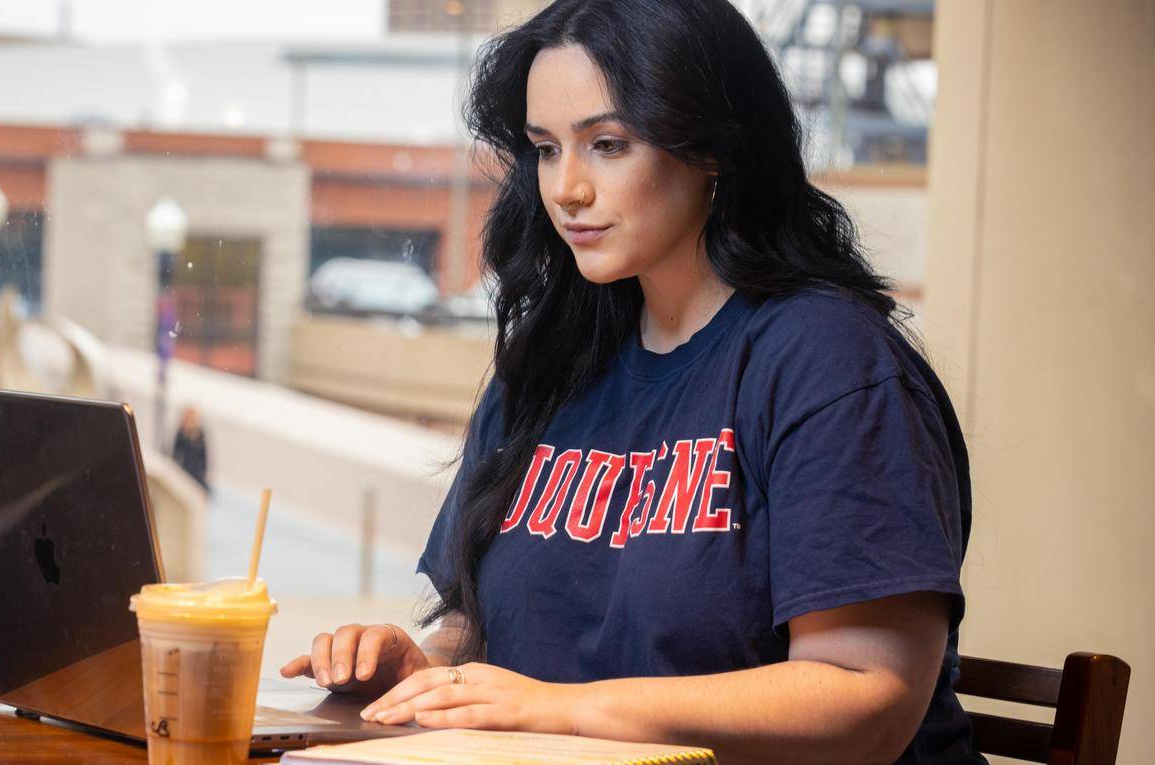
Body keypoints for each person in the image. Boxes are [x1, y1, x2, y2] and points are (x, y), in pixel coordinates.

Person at [280, 1, 984, 762]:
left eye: (607, 144)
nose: (567, 189)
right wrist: (427, 664)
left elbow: (866, 697)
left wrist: (558, 710)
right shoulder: (550, 364)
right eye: (546, 149)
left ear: (711, 146)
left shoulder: (827, 362)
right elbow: (486, 626)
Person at [171, 406, 209, 491]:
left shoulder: (199, 436)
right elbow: (175, 455)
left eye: (192, 420)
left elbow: (203, 461)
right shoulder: (180, 435)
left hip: (196, 477)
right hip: (182, 474)